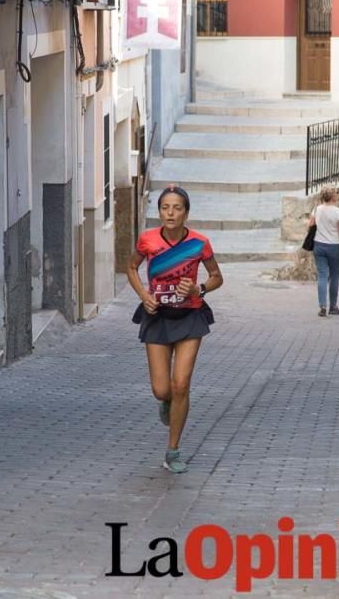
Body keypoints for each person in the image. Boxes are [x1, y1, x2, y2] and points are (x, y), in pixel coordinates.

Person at [127, 185, 223, 474]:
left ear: (186, 212)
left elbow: (217, 276)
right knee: (162, 390)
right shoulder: (147, 240)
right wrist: (144, 296)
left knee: (181, 384)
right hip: (157, 317)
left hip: (190, 316)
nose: (170, 213)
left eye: (177, 208)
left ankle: (173, 451)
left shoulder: (199, 243)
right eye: (165, 208)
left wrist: (199, 288)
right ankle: (167, 402)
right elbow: (131, 268)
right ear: (159, 212)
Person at [307, 187, 339, 317]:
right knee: (334, 277)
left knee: (322, 276)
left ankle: (323, 306)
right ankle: (333, 306)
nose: (337, 195)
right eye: (336, 194)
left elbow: (310, 226)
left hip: (319, 246)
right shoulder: (338, 213)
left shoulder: (316, 210)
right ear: (333, 197)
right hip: (334, 247)